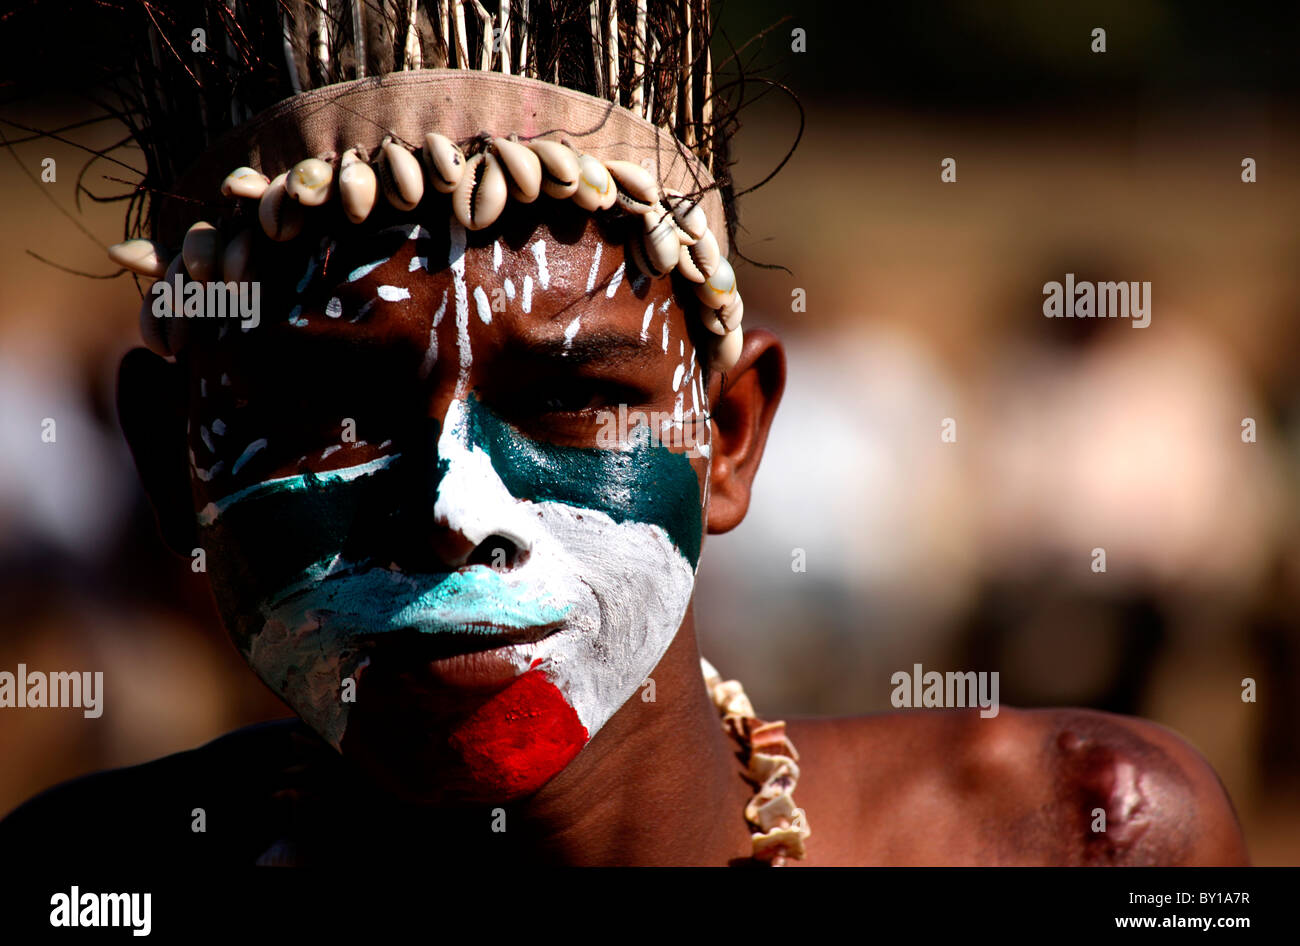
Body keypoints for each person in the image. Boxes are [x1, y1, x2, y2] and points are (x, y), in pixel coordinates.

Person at [1, 0, 1248, 867]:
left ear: (730, 438)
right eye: (334, 413)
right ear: (175, 464)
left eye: (564, 398)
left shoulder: (1076, 835)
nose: (455, 508)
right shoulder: (89, 877)